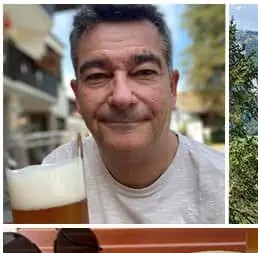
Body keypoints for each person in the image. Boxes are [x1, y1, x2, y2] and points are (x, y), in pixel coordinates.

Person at [43, 5, 224, 224]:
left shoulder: (221, 183)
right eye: (97, 75)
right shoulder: (55, 172)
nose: (122, 97)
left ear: (172, 88)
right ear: (78, 96)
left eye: (144, 72)